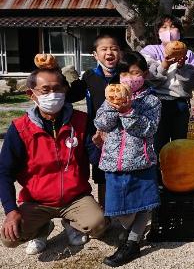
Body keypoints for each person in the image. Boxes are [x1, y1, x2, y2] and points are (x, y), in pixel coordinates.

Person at [0, 68, 106, 255]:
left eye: (57, 89)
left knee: (99, 225)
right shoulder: (19, 128)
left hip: (76, 198)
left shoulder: (81, 121)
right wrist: (10, 210)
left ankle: (71, 224)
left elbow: (96, 160)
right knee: (10, 237)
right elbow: (4, 172)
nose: (53, 95)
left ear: (65, 91)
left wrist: (102, 148)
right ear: (31, 94)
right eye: (45, 90)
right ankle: (42, 229)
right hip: (36, 201)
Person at [94, 51, 161, 267]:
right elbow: (102, 124)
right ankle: (129, 231)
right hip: (114, 162)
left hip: (141, 160)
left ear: (144, 74)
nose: (130, 78)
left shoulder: (152, 100)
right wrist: (116, 108)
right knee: (121, 210)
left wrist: (128, 111)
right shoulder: (109, 97)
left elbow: (149, 128)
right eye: (125, 73)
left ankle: (132, 242)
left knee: (143, 203)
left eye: (135, 73)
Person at [66, 34, 122, 208]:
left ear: (120, 52)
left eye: (113, 48)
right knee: (101, 173)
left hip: (122, 132)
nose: (109, 52)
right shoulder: (89, 77)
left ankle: (123, 210)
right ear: (95, 55)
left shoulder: (125, 75)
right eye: (104, 49)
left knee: (123, 171)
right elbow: (70, 95)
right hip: (97, 135)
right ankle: (105, 209)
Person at [141, 16, 194, 153]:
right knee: (157, 145)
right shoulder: (149, 51)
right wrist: (165, 64)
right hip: (155, 102)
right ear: (157, 32)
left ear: (180, 32)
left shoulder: (189, 54)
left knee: (180, 145)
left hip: (180, 104)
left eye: (173, 27)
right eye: (164, 27)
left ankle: (178, 173)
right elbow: (148, 79)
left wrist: (182, 67)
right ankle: (157, 174)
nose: (168, 31)